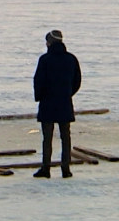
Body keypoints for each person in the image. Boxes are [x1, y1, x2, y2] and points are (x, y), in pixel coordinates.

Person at [33, 30, 82, 178]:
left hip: (47, 103)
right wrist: (68, 94)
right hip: (64, 102)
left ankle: (46, 168)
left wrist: (39, 97)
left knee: (47, 138)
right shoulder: (71, 59)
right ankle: (65, 169)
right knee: (65, 137)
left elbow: (38, 81)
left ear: (49, 43)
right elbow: (77, 81)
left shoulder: (45, 60)